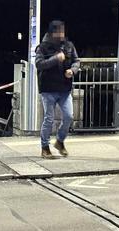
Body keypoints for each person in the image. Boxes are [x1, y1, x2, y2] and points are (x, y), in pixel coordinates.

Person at [35, 20, 80, 159]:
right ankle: (45, 147)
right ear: (51, 33)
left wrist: (72, 70)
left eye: (62, 31)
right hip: (48, 88)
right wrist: (56, 59)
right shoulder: (42, 47)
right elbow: (39, 64)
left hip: (64, 88)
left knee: (69, 116)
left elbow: (76, 61)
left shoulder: (68, 46)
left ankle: (60, 141)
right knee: (49, 118)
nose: (61, 34)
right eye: (58, 31)